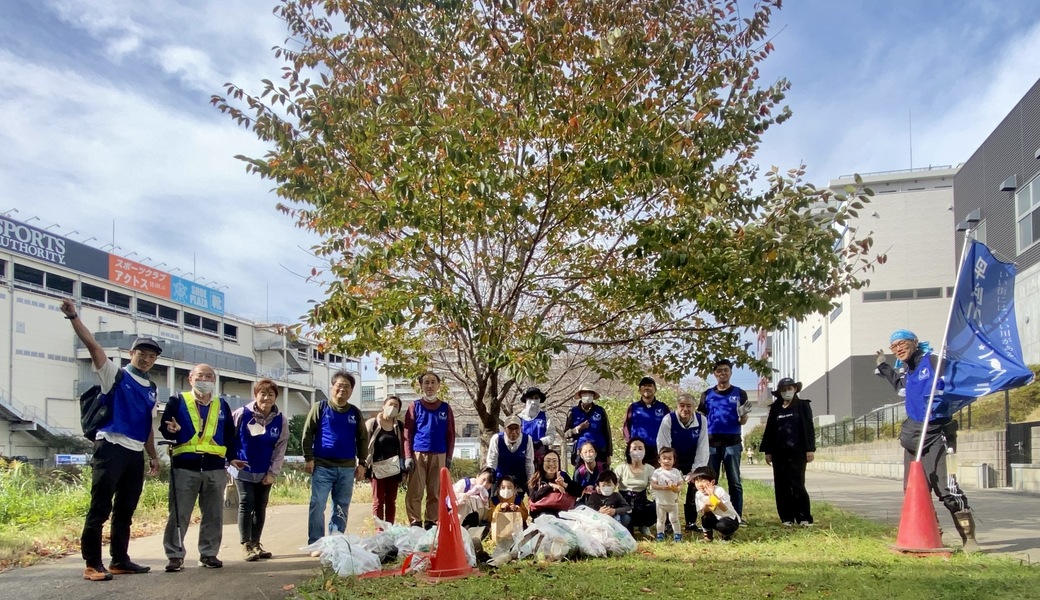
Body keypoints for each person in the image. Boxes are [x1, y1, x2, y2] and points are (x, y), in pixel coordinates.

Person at [61, 299, 161, 582]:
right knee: (100, 508)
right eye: (142, 353)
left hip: (135, 453)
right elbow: (93, 346)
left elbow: (147, 425)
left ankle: (120, 560)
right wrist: (74, 317)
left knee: (125, 510)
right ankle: (92, 564)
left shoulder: (152, 388)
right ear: (131, 353)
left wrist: (153, 456)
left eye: (151, 356)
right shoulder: (114, 375)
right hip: (110, 448)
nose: (146, 359)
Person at [876, 329, 978, 551]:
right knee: (913, 489)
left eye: (902, 343)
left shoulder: (932, 360)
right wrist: (883, 365)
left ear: (915, 342)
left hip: (937, 431)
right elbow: (899, 385)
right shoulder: (906, 370)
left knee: (946, 489)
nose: (898, 349)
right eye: (894, 346)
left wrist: (943, 393)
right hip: (913, 434)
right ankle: (931, 536)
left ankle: (969, 537)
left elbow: (959, 378)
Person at [160, 363, 243, 571]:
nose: (204, 380)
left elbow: (230, 435)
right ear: (191, 379)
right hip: (185, 467)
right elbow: (165, 428)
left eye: (209, 376)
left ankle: (209, 554)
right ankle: (175, 555)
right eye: (200, 376)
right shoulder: (177, 401)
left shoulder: (222, 405)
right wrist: (172, 430)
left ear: (214, 380)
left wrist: (233, 457)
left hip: (215, 467)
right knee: (179, 513)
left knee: (214, 514)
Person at [302, 370, 368, 546]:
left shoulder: (354, 412)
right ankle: (316, 542)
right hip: (322, 466)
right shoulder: (320, 407)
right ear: (332, 387)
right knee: (317, 504)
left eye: (347, 386)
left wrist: (362, 463)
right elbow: (308, 433)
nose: (342, 389)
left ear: (351, 390)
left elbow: (363, 438)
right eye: (339, 385)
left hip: (346, 468)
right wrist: (308, 458)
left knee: (341, 506)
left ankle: (335, 542)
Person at [231, 378, 289, 561]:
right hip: (242, 469)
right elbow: (229, 437)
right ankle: (246, 544)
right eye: (262, 394)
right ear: (255, 395)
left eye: (270, 394)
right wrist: (229, 461)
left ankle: (256, 543)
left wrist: (272, 473)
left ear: (275, 398)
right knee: (246, 502)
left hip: (265, 472)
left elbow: (280, 448)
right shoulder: (242, 413)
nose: (266, 398)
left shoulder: (280, 420)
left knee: (260, 506)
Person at [758, 377, 816, 526]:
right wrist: (768, 451)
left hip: (798, 452)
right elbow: (770, 430)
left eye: (789, 388)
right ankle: (787, 517)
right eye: (783, 389)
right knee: (781, 484)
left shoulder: (802, 405)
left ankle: (803, 517)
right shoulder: (775, 408)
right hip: (779, 453)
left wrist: (810, 448)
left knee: (797, 483)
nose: (787, 391)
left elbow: (808, 428)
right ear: (779, 392)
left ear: (795, 389)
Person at [403, 371, 457, 528]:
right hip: (418, 453)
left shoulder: (445, 408)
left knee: (435, 491)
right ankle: (415, 522)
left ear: (439, 386)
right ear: (421, 386)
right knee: (415, 491)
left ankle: (431, 522)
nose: (430, 386)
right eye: (426, 382)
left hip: (440, 454)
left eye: (433, 382)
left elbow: (451, 434)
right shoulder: (414, 406)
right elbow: (407, 433)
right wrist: (408, 455)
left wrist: (449, 456)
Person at [699, 359, 750, 519]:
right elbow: (701, 419)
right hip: (712, 443)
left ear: (730, 372)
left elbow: (743, 421)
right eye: (719, 370)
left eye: (725, 370)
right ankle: (713, 515)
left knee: (734, 481)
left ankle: (736, 516)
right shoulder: (707, 395)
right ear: (715, 374)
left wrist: (743, 415)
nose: (722, 373)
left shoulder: (740, 393)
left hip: (732, 443)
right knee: (710, 481)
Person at [656, 393, 709, 532]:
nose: (685, 409)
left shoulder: (702, 420)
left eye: (689, 406)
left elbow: (703, 447)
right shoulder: (668, 419)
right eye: (682, 405)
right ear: (677, 406)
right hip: (673, 458)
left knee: (695, 485)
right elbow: (663, 445)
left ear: (694, 407)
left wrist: (695, 471)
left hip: (692, 458)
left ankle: (691, 522)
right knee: (669, 485)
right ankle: (667, 523)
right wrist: (670, 468)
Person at [365, 395, 405, 525]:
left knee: (391, 501)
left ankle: (389, 528)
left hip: (394, 469)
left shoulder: (399, 426)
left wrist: (404, 469)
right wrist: (363, 465)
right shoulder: (372, 424)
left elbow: (403, 447)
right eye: (390, 404)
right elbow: (364, 444)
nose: (393, 407)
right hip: (377, 469)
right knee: (378, 501)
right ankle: (379, 529)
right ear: (383, 406)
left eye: (396, 406)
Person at [622, 376, 670, 466]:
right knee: (637, 473)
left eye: (650, 386)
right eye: (643, 386)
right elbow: (626, 427)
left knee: (657, 474)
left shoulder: (663, 407)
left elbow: (670, 427)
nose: (647, 388)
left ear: (655, 390)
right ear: (639, 390)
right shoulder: (633, 407)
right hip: (638, 450)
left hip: (658, 450)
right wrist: (630, 443)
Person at [486, 414, 535, 499]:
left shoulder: (527, 439)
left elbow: (529, 463)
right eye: (510, 428)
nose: (513, 431)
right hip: (500, 477)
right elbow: (492, 463)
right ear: (504, 429)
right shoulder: (497, 439)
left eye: (516, 428)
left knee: (521, 502)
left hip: (520, 478)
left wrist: (530, 483)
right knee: (494, 500)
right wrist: (490, 481)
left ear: (521, 428)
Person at [564, 383, 612, 466]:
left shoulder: (600, 411)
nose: (587, 396)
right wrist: (578, 428)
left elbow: (607, 433)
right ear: (580, 395)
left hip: (600, 451)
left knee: (601, 473)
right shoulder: (573, 412)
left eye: (590, 394)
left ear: (593, 396)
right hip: (581, 451)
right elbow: (566, 434)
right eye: (585, 393)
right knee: (581, 473)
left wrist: (609, 454)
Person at [615, 438, 655, 537]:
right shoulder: (621, 468)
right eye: (634, 448)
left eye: (640, 448)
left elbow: (654, 487)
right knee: (629, 531)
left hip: (641, 503)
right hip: (624, 504)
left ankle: (644, 525)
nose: (637, 451)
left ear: (645, 451)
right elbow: (612, 484)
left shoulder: (650, 469)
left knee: (658, 507)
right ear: (629, 451)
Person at [692, 466, 740, 542]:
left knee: (722, 525)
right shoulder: (698, 494)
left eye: (703, 481)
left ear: (712, 482)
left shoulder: (719, 491)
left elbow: (724, 509)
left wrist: (713, 495)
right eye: (697, 481)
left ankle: (727, 536)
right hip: (716, 518)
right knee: (705, 518)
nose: (700, 484)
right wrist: (706, 505)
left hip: (729, 518)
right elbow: (703, 512)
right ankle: (708, 536)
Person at [528, 450, 581, 519]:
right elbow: (533, 497)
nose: (551, 464)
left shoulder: (563, 476)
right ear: (542, 463)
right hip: (541, 515)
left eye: (555, 461)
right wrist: (550, 486)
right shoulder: (536, 478)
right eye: (548, 461)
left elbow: (579, 492)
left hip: (561, 514)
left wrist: (564, 484)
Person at [650, 447, 684, 542]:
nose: (667, 461)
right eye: (664, 458)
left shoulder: (676, 472)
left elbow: (681, 484)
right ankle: (660, 533)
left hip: (673, 502)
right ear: (659, 460)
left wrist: (677, 488)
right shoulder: (657, 472)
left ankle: (677, 534)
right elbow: (653, 484)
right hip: (660, 502)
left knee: (674, 519)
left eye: (670, 459)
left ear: (674, 460)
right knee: (661, 519)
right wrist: (662, 487)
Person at [518, 386, 554, 465]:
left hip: (541, 455)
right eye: (531, 398)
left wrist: (540, 442)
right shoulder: (519, 418)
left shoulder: (545, 416)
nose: (533, 401)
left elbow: (551, 436)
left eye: (536, 398)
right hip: (523, 454)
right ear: (526, 400)